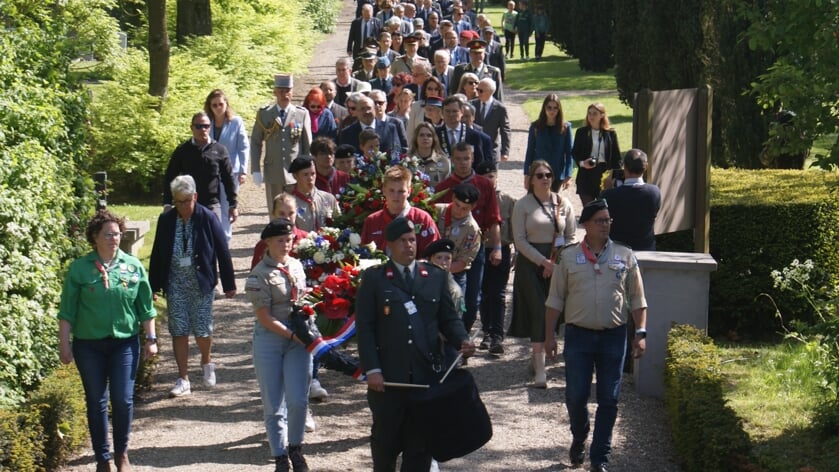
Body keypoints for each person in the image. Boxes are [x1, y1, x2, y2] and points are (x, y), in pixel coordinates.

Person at [356, 217, 475, 471]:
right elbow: (365, 328)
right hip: (389, 380)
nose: (409, 245)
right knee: (385, 445)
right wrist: (372, 369)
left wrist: (461, 338)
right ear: (389, 244)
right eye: (402, 240)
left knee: (420, 448)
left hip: (425, 378)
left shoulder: (434, 276)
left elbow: (448, 318)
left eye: (412, 240)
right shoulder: (375, 279)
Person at [544, 199, 648, 472]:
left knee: (609, 398)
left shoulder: (625, 255)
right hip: (578, 336)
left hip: (613, 337)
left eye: (608, 220)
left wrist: (640, 332)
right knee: (575, 396)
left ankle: (600, 457)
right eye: (600, 220)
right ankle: (580, 435)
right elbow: (555, 299)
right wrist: (549, 336)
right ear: (586, 225)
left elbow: (638, 299)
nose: (606, 225)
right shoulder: (568, 257)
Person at [58, 210, 157, 472]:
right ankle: (102, 458)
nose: (114, 238)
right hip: (89, 345)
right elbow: (67, 310)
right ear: (95, 237)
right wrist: (64, 343)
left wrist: (151, 338)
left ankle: (122, 453)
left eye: (117, 234)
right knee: (96, 400)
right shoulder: (79, 269)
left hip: (124, 344)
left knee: (123, 399)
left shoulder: (132, 266)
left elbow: (146, 307)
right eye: (109, 234)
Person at [149, 175, 237, 398]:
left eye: (186, 201)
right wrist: (153, 286)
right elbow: (158, 253)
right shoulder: (167, 219)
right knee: (178, 329)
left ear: (195, 197)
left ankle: (207, 361)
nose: (183, 206)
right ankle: (183, 378)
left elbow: (222, 251)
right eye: (178, 202)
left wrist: (229, 284)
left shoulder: (207, 217)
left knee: (202, 329)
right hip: (176, 282)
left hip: (200, 282)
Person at [246, 218, 312, 472]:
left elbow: (305, 300)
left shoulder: (296, 266)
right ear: (268, 243)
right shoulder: (258, 275)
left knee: (298, 400)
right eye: (280, 241)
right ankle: (280, 455)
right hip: (271, 341)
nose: (286, 245)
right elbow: (264, 316)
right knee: (273, 403)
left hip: (298, 342)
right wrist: (294, 336)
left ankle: (296, 448)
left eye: (289, 240)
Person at [508, 160, 576, 388]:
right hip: (530, 264)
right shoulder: (523, 205)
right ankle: (540, 368)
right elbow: (519, 240)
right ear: (531, 179)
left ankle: (538, 355)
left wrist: (557, 262)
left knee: (553, 310)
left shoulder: (563, 202)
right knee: (538, 310)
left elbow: (571, 236)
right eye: (539, 175)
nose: (545, 178)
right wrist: (543, 262)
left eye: (548, 174)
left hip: (557, 263)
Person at [435, 142, 501, 334]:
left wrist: (497, 247)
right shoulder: (444, 187)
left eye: (466, 158)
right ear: (452, 160)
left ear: (473, 159)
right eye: (458, 159)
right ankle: (449, 341)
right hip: (442, 252)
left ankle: (462, 335)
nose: (463, 163)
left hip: (472, 247)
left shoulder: (484, 185)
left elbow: (493, 217)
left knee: (472, 300)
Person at [250, 74, 313, 212]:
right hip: (273, 171)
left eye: (287, 90)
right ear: (275, 92)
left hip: (296, 173)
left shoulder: (301, 114)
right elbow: (255, 142)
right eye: (281, 91)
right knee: (275, 211)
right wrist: (255, 169)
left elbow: (307, 145)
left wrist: (308, 171)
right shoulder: (265, 114)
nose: (284, 94)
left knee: (297, 212)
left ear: (292, 91)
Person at [163, 111, 238, 225]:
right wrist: (167, 203)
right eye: (198, 126)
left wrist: (233, 204)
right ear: (192, 128)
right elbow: (170, 177)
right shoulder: (183, 150)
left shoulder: (220, 150)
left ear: (210, 127)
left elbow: (228, 178)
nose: (202, 129)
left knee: (213, 240)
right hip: (187, 205)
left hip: (212, 205)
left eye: (206, 126)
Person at [475, 161, 516, 355]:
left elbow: (514, 227)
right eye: (484, 178)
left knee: (498, 293)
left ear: (497, 178)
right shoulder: (475, 198)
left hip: (502, 249)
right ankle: (486, 332)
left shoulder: (507, 200)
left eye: (491, 176)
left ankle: (497, 335)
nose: (488, 181)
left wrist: (516, 249)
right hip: (480, 250)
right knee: (483, 293)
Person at [361, 165, 439, 256]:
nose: (395, 196)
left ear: (409, 191)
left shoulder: (422, 219)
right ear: (384, 190)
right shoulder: (372, 221)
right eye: (391, 190)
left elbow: (435, 257)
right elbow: (364, 256)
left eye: (401, 191)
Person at [204, 89, 249, 243]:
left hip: (231, 171)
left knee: (227, 206)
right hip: (210, 172)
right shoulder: (205, 123)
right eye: (214, 105)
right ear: (210, 106)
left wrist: (243, 170)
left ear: (226, 104)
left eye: (221, 104)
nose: (218, 108)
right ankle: (213, 237)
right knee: (211, 205)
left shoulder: (235, 122)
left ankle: (225, 239)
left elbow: (243, 146)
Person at [601, 149, 661, 251]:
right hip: (646, 248)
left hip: (617, 250)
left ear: (625, 167)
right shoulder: (654, 192)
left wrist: (606, 190)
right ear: (645, 166)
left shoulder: (610, 195)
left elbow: (600, 216)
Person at [434, 183, 482, 297]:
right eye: (457, 205)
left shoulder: (472, 230)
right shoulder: (436, 211)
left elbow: (463, 261)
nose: (459, 210)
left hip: (454, 274)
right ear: (453, 198)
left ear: (473, 207)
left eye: (465, 208)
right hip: (428, 270)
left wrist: (439, 270)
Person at [572, 102, 621, 205]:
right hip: (586, 173)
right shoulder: (581, 132)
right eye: (589, 113)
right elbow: (575, 153)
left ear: (602, 115)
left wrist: (613, 176)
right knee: (589, 209)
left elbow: (617, 158)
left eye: (594, 113)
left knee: (603, 208)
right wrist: (582, 163)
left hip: (604, 173)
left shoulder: (610, 133)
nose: (591, 116)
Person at [524, 94, 574, 192]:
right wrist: (527, 174)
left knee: (551, 203)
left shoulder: (565, 128)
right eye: (549, 107)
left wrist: (568, 175)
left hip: (557, 172)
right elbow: (530, 151)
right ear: (544, 108)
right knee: (534, 202)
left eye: (555, 108)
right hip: (538, 172)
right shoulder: (536, 127)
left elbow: (569, 153)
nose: (552, 111)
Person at [251, 193, 310, 270]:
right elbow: (255, 277)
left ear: (296, 213)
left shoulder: (307, 239)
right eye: (282, 214)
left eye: (291, 213)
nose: (287, 218)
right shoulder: (265, 244)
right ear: (273, 214)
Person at [287, 156, 341, 232]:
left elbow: (339, 223)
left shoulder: (328, 198)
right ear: (295, 176)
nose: (310, 178)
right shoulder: (289, 204)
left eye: (313, 174)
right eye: (305, 174)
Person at [339, 95, 404, 154]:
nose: (366, 112)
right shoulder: (347, 133)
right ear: (357, 112)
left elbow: (397, 151)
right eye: (362, 109)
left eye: (369, 108)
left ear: (375, 110)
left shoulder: (390, 129)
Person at [436, 96, 488, 165]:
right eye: (447, 111)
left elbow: (479, 161)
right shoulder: (435, 134)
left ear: (462, 112)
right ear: (442, 112)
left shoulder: (473, 135)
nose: (451, 114)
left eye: (455, 111)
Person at [472, 77, 510, 162]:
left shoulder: (500, 108)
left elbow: (505, 130)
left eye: (481, 90)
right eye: (477, 89)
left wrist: (505, 152)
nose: (477, 92)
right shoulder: (471, 105)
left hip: (492, 150)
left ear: (490, 92)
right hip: (474, 151)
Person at [410, 121, 451, 188]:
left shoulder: (444, 161)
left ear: (433, 139)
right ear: (416, 138)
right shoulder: (407, 160)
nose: (425, 138)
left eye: (429, 135)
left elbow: (447, 186)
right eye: (421, 135)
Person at [405, 76, 445, 141]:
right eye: (430, 89)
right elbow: (410, 132)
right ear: (425, 90)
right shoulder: (416, 106)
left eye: (436, 89)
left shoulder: (444, 106)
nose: (433, 91)